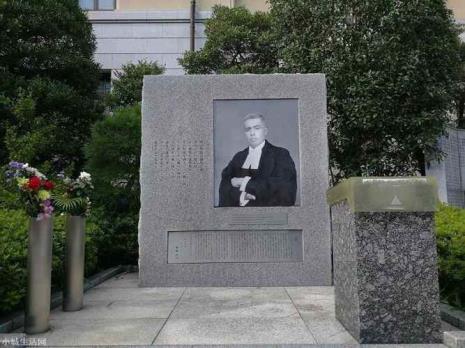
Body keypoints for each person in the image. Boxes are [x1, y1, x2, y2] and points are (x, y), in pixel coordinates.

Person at [219, 113, 297, 207]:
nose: (252, 133)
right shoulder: (238, 157)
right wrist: (242, 196)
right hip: (241, 216)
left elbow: (284, 188)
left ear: (265, 131)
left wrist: (243, 182)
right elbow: (224, 186)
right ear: (245, 133)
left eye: (257, 128)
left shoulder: (280, 155)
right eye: (248, 129)